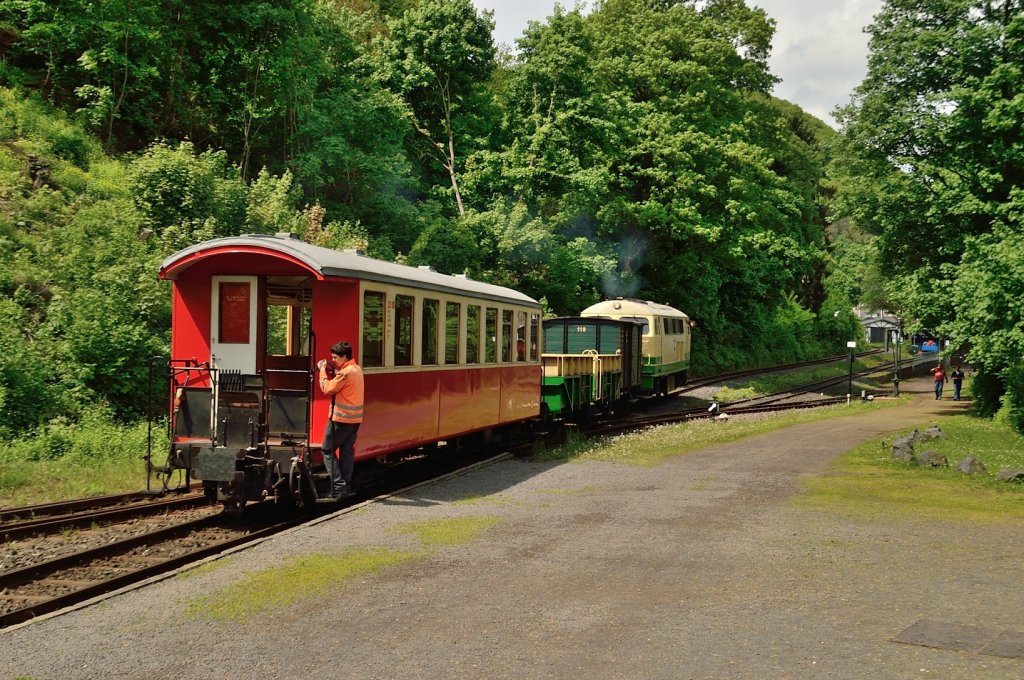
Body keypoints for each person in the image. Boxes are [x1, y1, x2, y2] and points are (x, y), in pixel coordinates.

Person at [317, 341, 364, 499]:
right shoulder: (356, 369)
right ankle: (346, 487)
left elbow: (328, 388)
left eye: (335, 357)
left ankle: (339, 487)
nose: (333, 360)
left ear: (344, 356)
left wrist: (322, 370)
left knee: (327, 450)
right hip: (354, 420)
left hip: (341, 419)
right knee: (347, 451)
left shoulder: (345, 373)